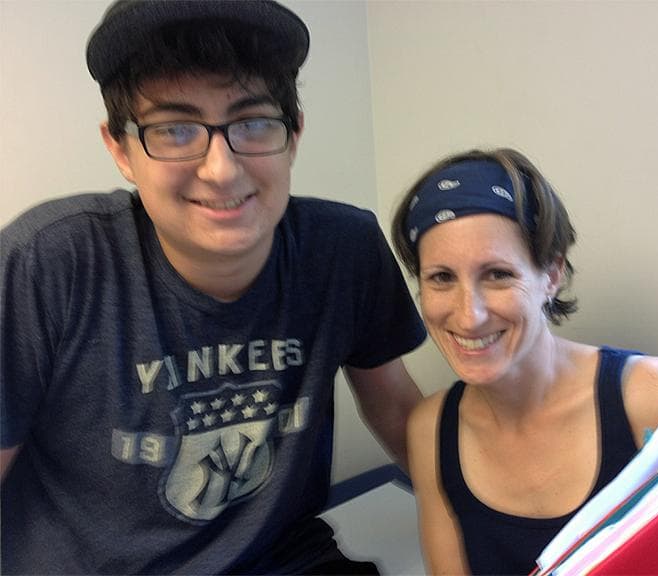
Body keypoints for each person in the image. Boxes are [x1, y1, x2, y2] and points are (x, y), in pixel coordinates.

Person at [0, 1, 426, 574]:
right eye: (175, 130)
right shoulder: (49, 263)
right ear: (120, 149)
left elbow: (401, 413)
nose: (222, 169)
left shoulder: (341, 249)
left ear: (293, 135)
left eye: (252, 123)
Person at [390, 147, 658, 575]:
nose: (469, 315)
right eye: (441, 278)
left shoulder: (657, 397)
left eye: (498, 274)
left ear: (551, 276)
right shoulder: (431, 429)